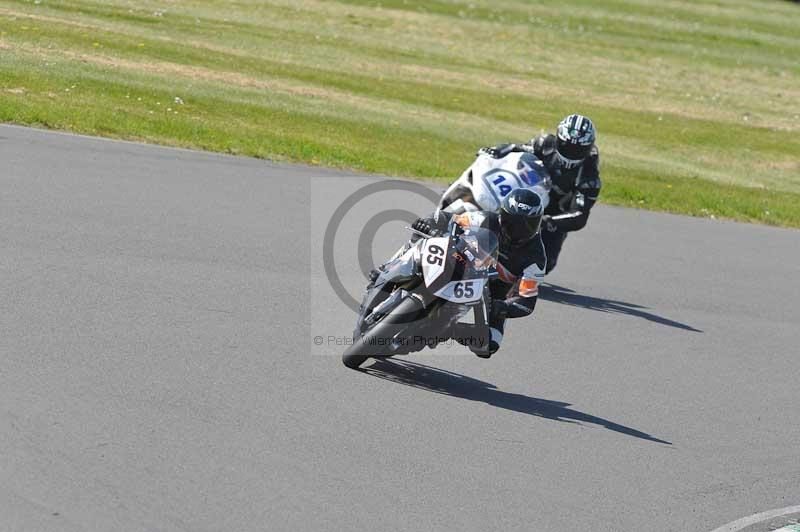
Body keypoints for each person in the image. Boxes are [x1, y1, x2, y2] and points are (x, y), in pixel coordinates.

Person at [411, 188, 546, 358]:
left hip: (490, 297)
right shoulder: (485, 219)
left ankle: (446, 330)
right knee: (422, 234)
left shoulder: (536, 257)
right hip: (461, 266)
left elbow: (526, 299)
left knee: (489, 344)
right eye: (511, 222)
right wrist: (430, 222)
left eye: (528, 224)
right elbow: (450, 219)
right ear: (502, 215)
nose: (518, 230)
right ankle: (389, 269)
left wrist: (502, 307)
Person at [477, 114, 600, 274]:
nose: (571, 152)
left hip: (554, 213)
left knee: (544, 265)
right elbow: (517, 148)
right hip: (524, 194)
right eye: (567, 146)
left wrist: (550, 222)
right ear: (558, 139)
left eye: (578, 149)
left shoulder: (589, 176)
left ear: (588, 147)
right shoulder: (545, 144)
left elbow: (579, 215)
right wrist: (497, 150)